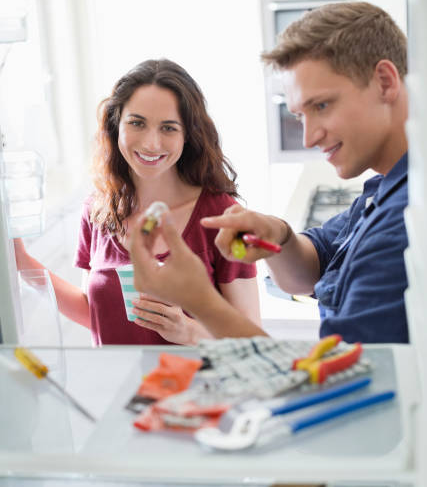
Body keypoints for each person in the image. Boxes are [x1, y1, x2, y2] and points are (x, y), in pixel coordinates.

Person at [129, 2, 409, 344]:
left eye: (321, 105)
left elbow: (338, 382)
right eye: (300, 115)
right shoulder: (386, 187)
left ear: (384, 81)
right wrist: (279, 236)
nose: (309, 138)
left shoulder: (406, 219)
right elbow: (313, 266)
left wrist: (200, 301)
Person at [14, 59, 260, 345]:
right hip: (118, 386)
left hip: (199, 387)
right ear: (116, 124)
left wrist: (190, 332)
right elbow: (95, 314)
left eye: (168, 128)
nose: (150, 143)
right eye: (137, 123)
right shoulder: (98, 210)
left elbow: (252, 338)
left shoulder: (225, 216)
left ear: (188, 135)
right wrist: (23, 264)